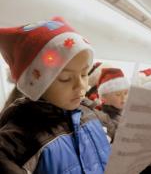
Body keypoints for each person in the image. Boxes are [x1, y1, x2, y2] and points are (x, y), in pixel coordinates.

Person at [0, 18, 110, 173]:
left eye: (85, 74)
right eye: (65, 78)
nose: (82, 86)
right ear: (38, 85)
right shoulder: (20, 141)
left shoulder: (92, 115)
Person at [98, 67, 129, 141]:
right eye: (118, 94)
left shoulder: (126, 111)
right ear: (104, 98)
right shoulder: (105, 118)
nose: (123, 97)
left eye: (125, 93)